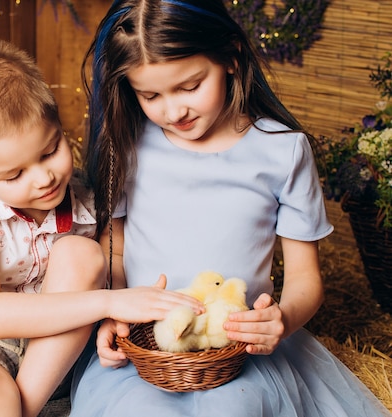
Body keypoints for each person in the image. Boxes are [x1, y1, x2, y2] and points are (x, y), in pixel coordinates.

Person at [69, 1, 392, 416]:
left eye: (190, 86)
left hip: (241, 353)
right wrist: (113, 312)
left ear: (231, 59)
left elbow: (305, 279)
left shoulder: (282, 150)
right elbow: (114, 249)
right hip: (146, 351)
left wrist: (282, 320)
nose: (173, 110)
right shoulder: (127, 144)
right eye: (150, 94)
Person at [0, 38, 203, 417]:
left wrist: (115, 311)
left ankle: (27, 409)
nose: (44, 178)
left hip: (60, 347)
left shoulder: (87, 197)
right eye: (14, 174)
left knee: (81, 252)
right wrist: (108, 302)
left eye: (50, 151)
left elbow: (114, 270)